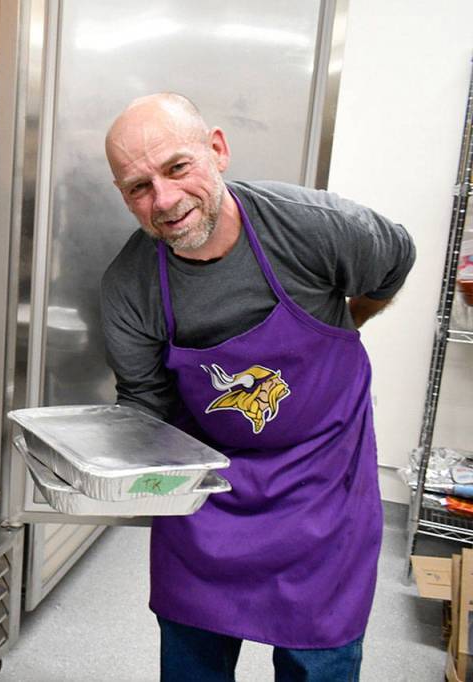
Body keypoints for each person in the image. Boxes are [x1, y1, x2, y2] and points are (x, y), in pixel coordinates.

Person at [100, 93, 415, 682]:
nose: (164, 201)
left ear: (217, 150)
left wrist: (342, 325)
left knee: (318, 659)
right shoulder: (130, 285)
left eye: (176, 167)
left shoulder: (314, 228)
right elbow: (147, 407)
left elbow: (395, 261)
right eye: (138, 187)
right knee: (192, 660)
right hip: (207, 498)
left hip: (324, 483)